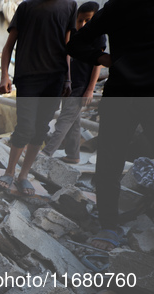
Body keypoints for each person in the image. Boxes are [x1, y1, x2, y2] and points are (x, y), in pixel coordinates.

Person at [67, 0, 154, 251]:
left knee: (109, 162)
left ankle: (108, 227)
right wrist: (103, 57)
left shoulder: (117, 6)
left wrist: (103, 58)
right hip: (124, 95)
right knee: (109, 162)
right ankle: (108, 226)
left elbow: (76, 43)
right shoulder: (118, 7)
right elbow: (75, 43)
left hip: (121, 95)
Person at [0, 0, 77, 196]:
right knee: (25, 127)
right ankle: (9, 172)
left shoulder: (69, 6)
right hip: (28, 77)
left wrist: (68, 79)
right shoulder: (26, 7)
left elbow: (68, 47)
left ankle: (23, 176)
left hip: (55, 79)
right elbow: (8, 46)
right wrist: (4, 75)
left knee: (40, 128)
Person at [41, 1, 105, 164]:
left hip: (82, 86)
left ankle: (45, 154)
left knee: (64, 120)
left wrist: (90, 89)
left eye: (88, 20)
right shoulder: (75, 35)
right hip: (69, 84)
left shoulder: (98, 36)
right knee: (73, 121)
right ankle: (73, 154)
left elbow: (98, 64)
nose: (83, 24)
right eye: (80, 20)